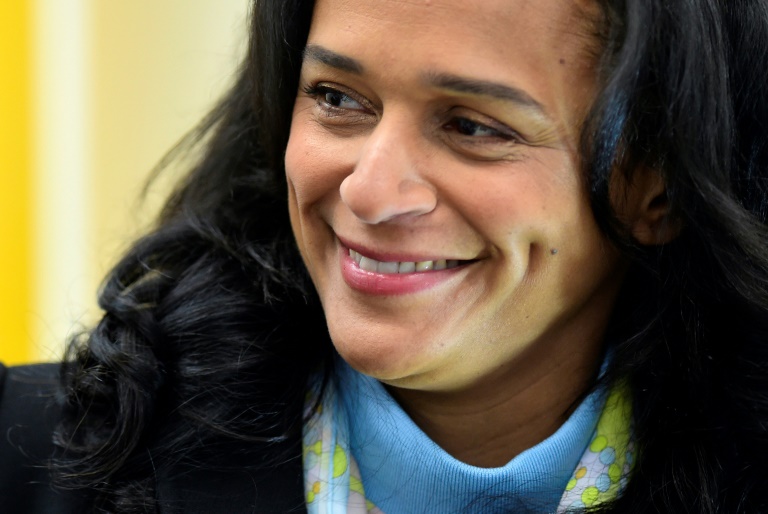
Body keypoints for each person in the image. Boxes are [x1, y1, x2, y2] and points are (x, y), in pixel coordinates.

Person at [2, 0, 767, 512]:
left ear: (657, 189)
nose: (368, 191)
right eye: (337, 98)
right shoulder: (29, 459)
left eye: (472, 126)